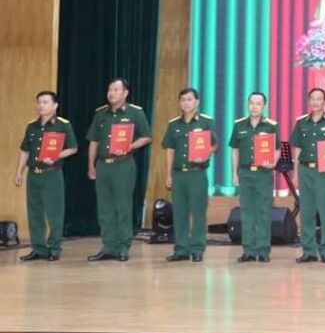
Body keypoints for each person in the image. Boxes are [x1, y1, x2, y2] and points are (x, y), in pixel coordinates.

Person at [85, 78, 152, 262]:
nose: (111, 93)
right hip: (103, 165)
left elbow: (147, 137)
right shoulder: (100, 113)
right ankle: (108, 246)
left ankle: (123, 247)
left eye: (116, 89)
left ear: (125, 93)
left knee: (122, 207)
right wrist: (91, 164)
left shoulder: (135, 112)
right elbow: (94, 141)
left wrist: (130, 146)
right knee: (104, 208)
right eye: (109, 90)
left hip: (123, 164)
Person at [12, 91, 78, 261]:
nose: (41, 105)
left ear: (55, 106)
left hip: (52, 174)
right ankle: (38, 248)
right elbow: (25, 150)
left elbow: (73, 148)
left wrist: (56, 156)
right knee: (34, 213)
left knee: (54, 213)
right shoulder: (31, 126)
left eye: (45, 102)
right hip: (33, 175)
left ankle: (54, 248)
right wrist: (19, 171)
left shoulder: (63, 125)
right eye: (39, 102)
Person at [161, 87, 218, 262]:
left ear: (197, 102)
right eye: (183, 100)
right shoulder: (173, 125)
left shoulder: (206, 122)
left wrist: (206, 152)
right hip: (179, 175)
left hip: (197, 174)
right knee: (179, 214)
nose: (186, 103)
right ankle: (181, 249)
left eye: (189, 99)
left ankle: (197, 249)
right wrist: (168, 174)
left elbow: (215, 145)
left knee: (198, 213)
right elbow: (170, 150)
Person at [289, 87, 325, 264]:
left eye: (319, 98)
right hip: (305, 170)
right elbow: (297, 149)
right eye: (312, 98)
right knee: (306, 212)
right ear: (309, 101)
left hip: (323, 172)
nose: (315, 102)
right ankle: (309, 250)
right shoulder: (301, 122)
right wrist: (295, 173)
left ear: (324, 101)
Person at [229, 91, 280, 263]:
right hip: (245, 173)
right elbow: (235, 150)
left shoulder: (271, 126)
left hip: (263, 174)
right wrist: (234, 173)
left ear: (264, 106)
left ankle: (263, 250)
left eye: (258, 103)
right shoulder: (239, 125)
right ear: (247, 104)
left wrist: (273, 162)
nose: (254, 106)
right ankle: (248, 250)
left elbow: (277, 149)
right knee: (247, 213)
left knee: (264, 212)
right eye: (251, 102)